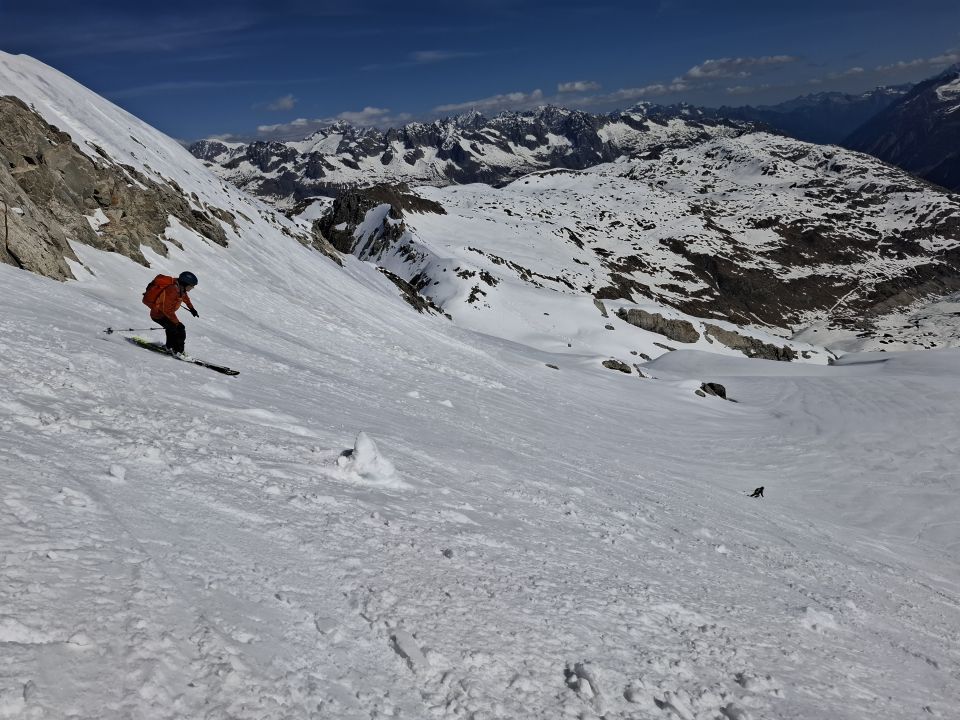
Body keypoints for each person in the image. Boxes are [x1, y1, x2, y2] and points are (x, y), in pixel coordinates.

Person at [142, 271, 199, 357]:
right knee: (177, 329)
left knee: (174, 329)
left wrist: (192, 308)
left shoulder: (180, 288)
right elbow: (166, 310)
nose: (192, 288)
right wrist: (177, 323)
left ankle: (172, 348)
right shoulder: (172, 290)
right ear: (185, 284)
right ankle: (176, 351)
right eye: (192, 286)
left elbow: (185, 297)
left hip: (164, 314)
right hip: (158, 314)